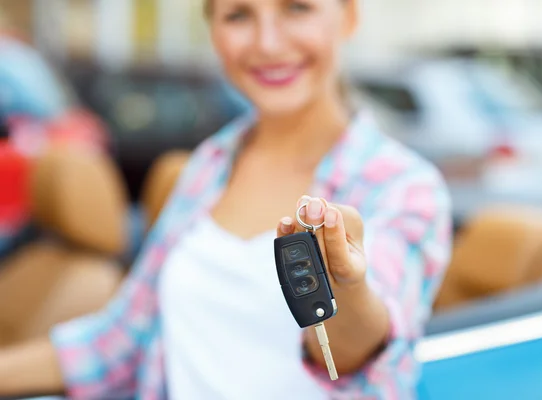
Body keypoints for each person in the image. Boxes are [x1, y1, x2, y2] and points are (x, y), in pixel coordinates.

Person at [0, 0, 452, 398]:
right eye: (238, 15)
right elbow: (118, 341)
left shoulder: (403, 185)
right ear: (213, 30)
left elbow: (363, 352)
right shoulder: (207, 166)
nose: (268, 43)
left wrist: (347, 287)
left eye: (297, 7)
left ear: (348, 15)